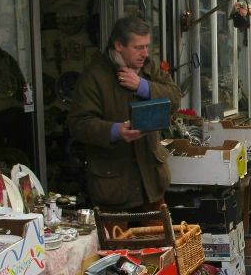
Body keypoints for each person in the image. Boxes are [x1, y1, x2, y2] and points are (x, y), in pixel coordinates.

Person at [69, 17, 182, 211]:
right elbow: (79, 124)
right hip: (113, 187)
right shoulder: (94, 76)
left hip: (151, 184)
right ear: (119, 45)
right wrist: (116, 131)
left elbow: (175, 97)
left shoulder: (148, 67)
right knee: (117, 242)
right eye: (138, 47)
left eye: (147, 46)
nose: (145, 53)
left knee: (158, 240)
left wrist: (142, 86)